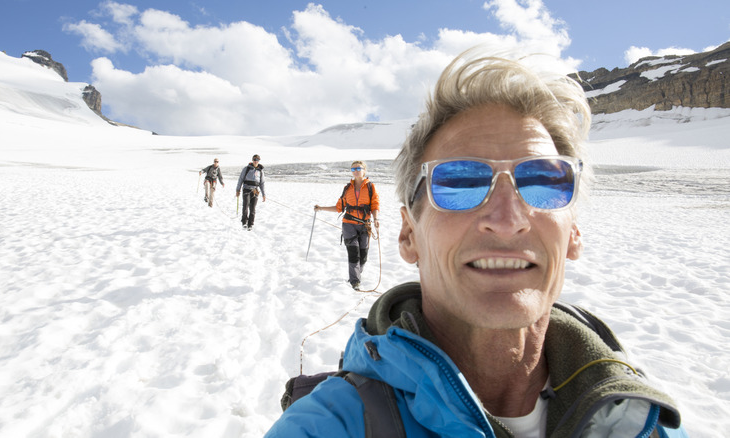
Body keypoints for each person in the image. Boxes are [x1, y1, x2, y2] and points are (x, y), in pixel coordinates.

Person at [265, 49, 687, 437]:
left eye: (543, 181)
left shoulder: (646, 423)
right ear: (409, 234)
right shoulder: (327, 426)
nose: (507, 222)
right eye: (460, 182)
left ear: (572, 230)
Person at [314, 161, 380, 290]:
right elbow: (339, 207)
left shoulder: (371, 187)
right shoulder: (347, 188)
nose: (355, 171)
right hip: (349, 224)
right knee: (353, 253)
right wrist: (321, 208)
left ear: (364, 170)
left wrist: (376, 218)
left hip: (365, 225)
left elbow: (375, 205)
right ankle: (354, 281)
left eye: (358, 168)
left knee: (363, 255)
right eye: (353, 169)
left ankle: (356, 275)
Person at [236, 154, 266, 230]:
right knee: (245, 206)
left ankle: (250, 224)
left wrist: (263, 194)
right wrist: (238, 190)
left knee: (252, 209)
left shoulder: (260, 171)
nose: (256, 161)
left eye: (257, 160)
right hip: (246, 190)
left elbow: (262, 183)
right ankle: (244, 222)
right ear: (252, 160)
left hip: (255, 191)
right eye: (255, 160)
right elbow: (241, 179)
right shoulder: (246, 169)